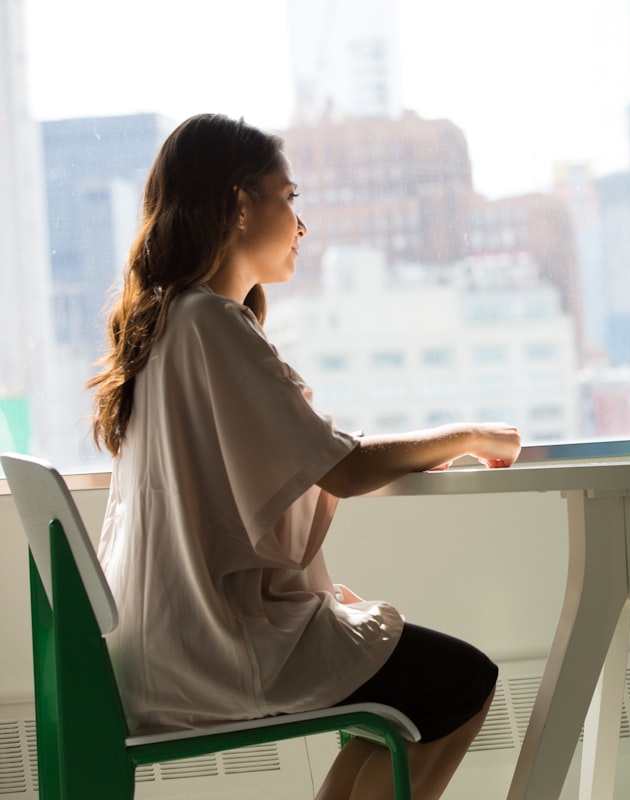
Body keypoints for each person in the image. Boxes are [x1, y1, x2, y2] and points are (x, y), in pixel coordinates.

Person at [89, 113, 522, 800]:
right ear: (238, 204)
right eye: (289, 198)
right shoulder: (208, 323)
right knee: (460, 682)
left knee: (399, 700)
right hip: (213, 648)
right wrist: (466, 435)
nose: (302, 223)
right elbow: (341, 468)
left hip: (165, 641)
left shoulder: (170, 322)